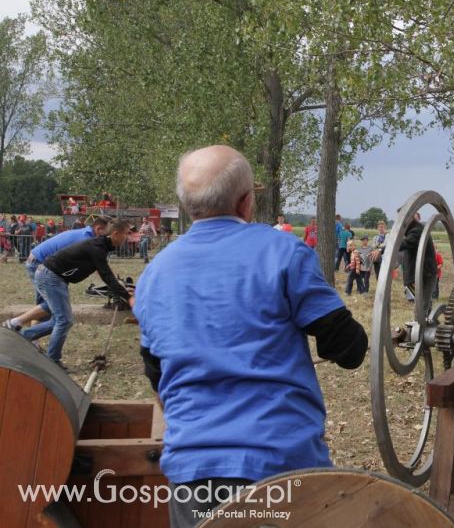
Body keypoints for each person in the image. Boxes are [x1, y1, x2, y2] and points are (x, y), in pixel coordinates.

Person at [133, 145, 367, 526]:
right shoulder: (283, 252)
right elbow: (348, 349)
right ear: (245, 203)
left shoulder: (154, 274)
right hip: (282, 465)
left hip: (193, 472)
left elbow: (156, 375)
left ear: (188, 205)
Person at [17, 220, 133, 369]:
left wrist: (122, 290)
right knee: (64, 321)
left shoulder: (101, 246)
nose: (128, 237)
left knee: (60, 320)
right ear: (116, 234)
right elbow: (106, 276)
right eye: (126, 234)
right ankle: (52, 362)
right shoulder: (97, 247)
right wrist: (129, 298)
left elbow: (106, 273)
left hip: (54, 276)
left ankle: (23, 337)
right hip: (50, 276)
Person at [3, 217, 110, 332]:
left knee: (44, 305)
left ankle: (30, 337)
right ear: (99, 229)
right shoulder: (87, 239)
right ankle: (15, 323)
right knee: (52, 304)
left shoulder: (84, 233)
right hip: (39, 263)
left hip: (37, 260)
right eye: (108, 233)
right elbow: (100, 267)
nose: (108, 237)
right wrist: (113, 283)